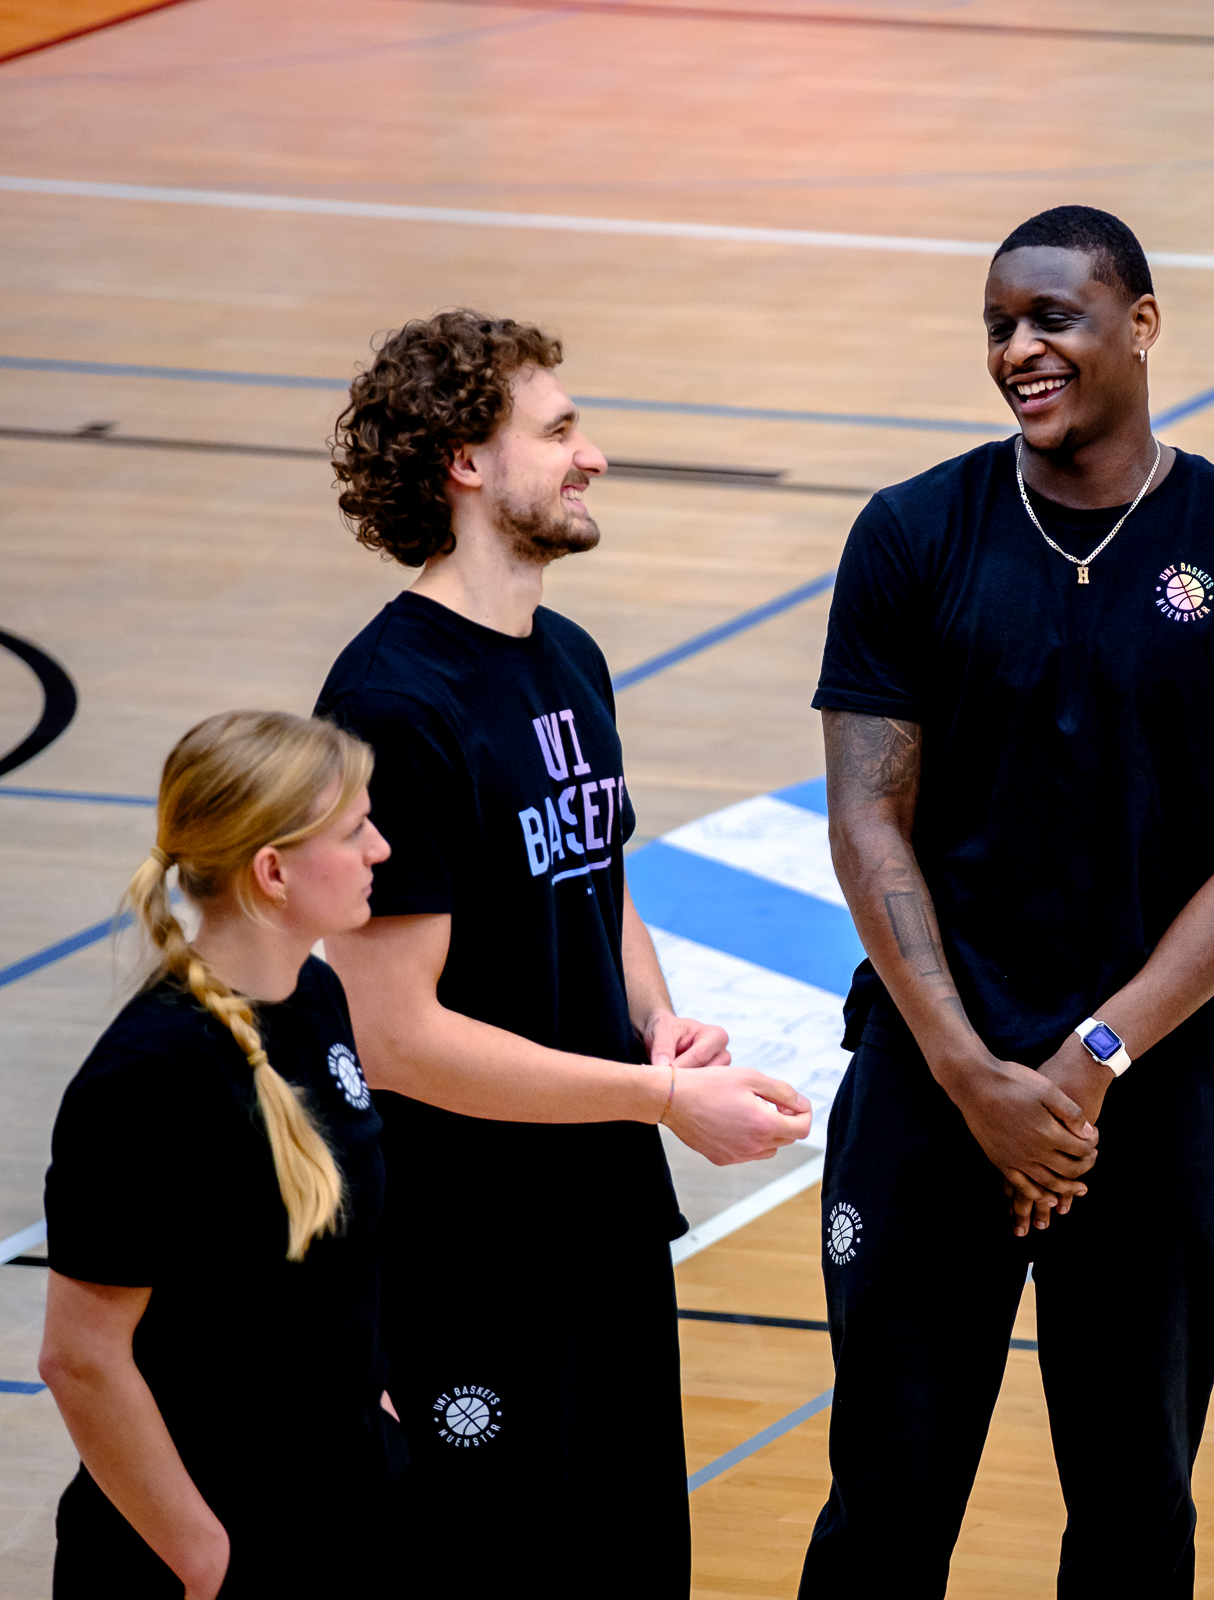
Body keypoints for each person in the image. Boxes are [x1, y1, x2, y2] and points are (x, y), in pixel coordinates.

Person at [802, 205, 1214, 1595]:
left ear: (1142, 323)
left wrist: (1091, 1057)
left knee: (1133, 1508)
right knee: (887, 1502)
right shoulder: (912, 533)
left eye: (1051, 317)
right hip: (930, 1083)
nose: (1019, 349)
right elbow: (868, 819)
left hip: (1147, 1096)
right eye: (999, 325)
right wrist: (968, 1071)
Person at [314, 309, 813, 1595]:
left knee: (634, 1562)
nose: (592, 457)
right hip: (469, 1251)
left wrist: (658, 1023)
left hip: (603, 1216)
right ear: (465, 462)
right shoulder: (392, 704)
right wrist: (660, 1097)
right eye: (560, 431)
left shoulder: (569, 659)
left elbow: (598, 875)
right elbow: (395, 1037)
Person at [40, 709, 399, 1598]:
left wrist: (378, 1413)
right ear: (272, 872)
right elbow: (81, 1358)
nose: (381, 849)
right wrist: (202, 1558)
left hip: (345, 1514)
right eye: (354, 831)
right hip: (212, 1547)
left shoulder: (317, 999)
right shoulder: (152, 1076)